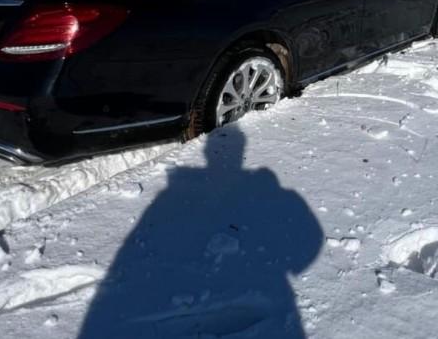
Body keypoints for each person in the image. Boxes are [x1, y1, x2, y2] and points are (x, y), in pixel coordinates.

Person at [80, 129, 323, 338]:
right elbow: (311, 238)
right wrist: (291, 267)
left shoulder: (177, 190)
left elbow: (311, 238)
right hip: (270, 283)